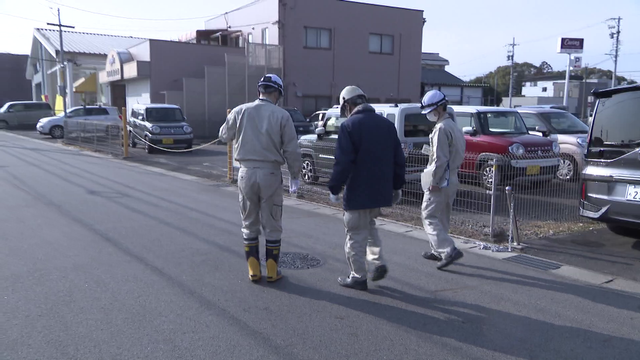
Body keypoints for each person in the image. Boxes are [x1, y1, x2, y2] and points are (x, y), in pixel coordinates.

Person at [218, 74, 302, 283]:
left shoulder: (240, 110)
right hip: (271, 174)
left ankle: (253, 271)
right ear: (277, 94)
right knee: (272, 223)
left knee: (249, 222)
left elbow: (223, 135)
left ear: (259, 91)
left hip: (245, 173)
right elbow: (292, 149)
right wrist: (295, 175)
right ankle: (272, 272)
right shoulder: (282, 116)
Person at [326, 86, 406, 291]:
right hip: (380, 192)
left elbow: (343, 162)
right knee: (369, 228)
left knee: (355, 234)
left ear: (348, 105)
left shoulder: (350, 126)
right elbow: (399, 160)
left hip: (358, 192)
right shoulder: (387, 125)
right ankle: (377, 262)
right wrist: (397, 187)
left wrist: (334, 188)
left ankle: (358, 276)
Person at [419, 90, 466, 269]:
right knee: (442, 216)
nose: (429, 114)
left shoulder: (441, 129)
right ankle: (438, 251)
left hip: (441, 178)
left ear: (439, 107)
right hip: (452, 177)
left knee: (429, 215)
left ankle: (448, 249)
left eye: (431, 110)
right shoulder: (454, 126)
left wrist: (434, 182)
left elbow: (439, 160)